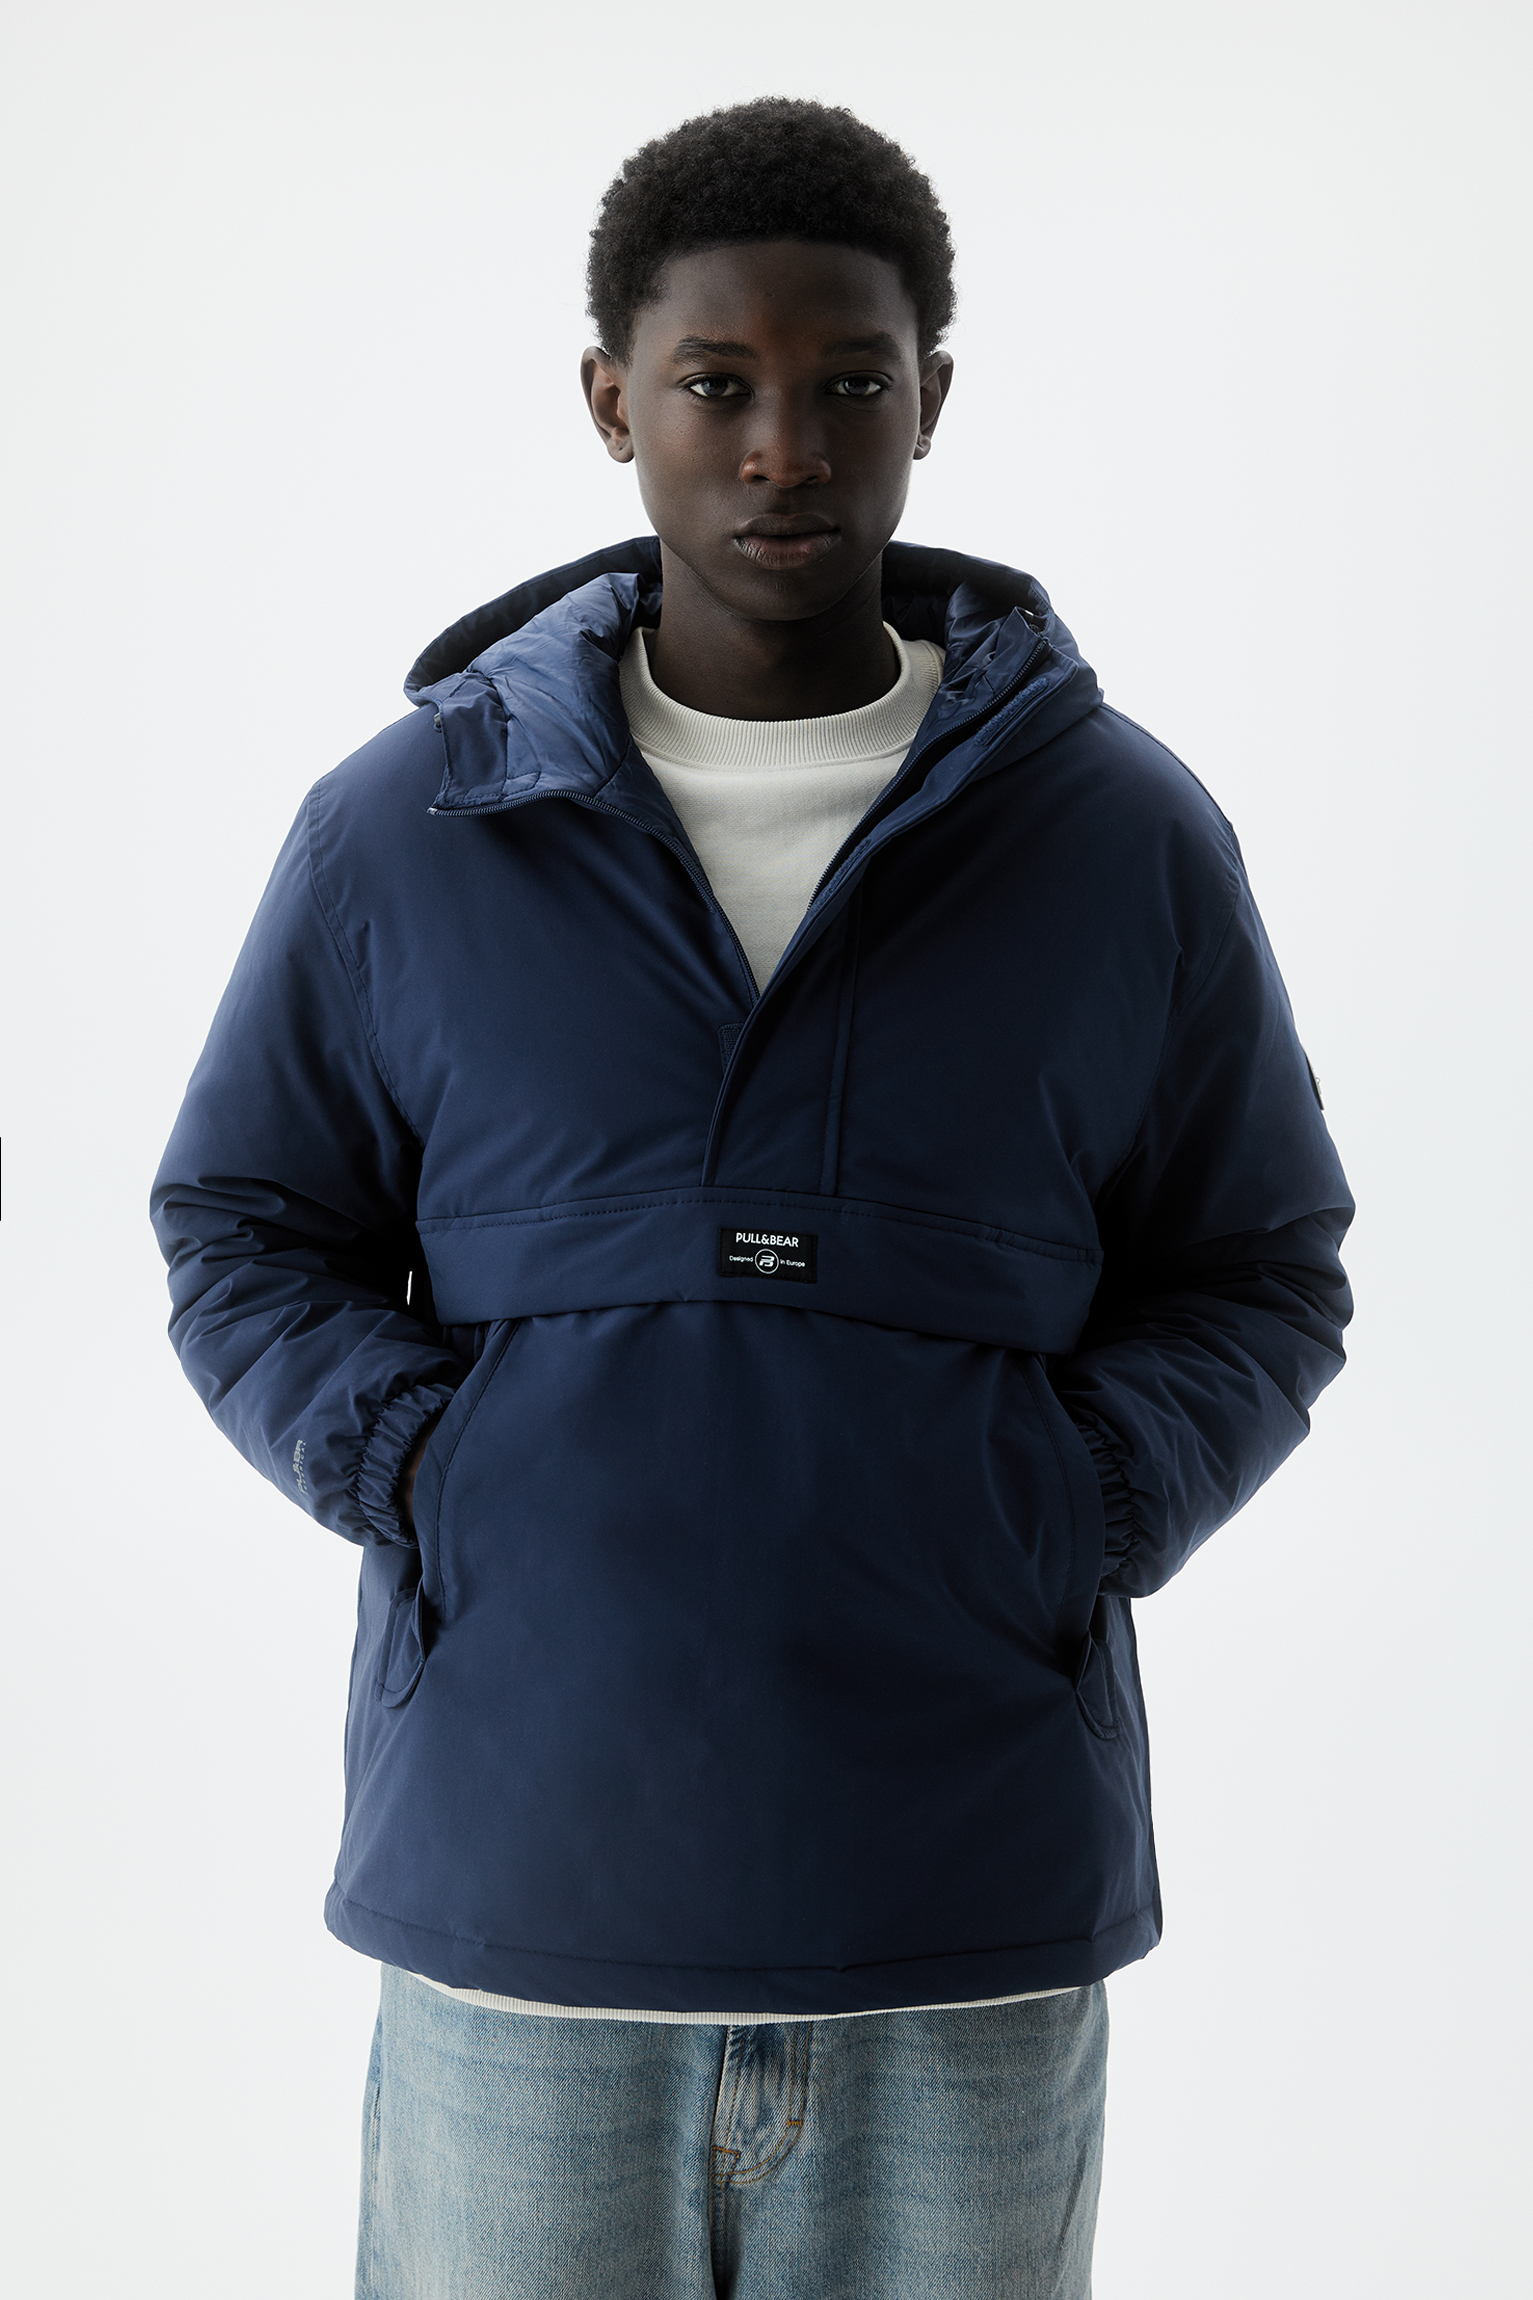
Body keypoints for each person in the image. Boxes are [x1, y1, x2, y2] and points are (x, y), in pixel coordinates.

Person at [152, 96, 1353, 2300]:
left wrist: (1076, 1501)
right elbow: (242, 1223)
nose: (783, 446)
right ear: (611, 398)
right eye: (716, 383)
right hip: (520, 1894)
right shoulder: (408, 826)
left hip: (963, 1908)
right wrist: (432, 1469)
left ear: (931, 400)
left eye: (848, 383)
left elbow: (1257, 1260)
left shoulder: (1118, 837)